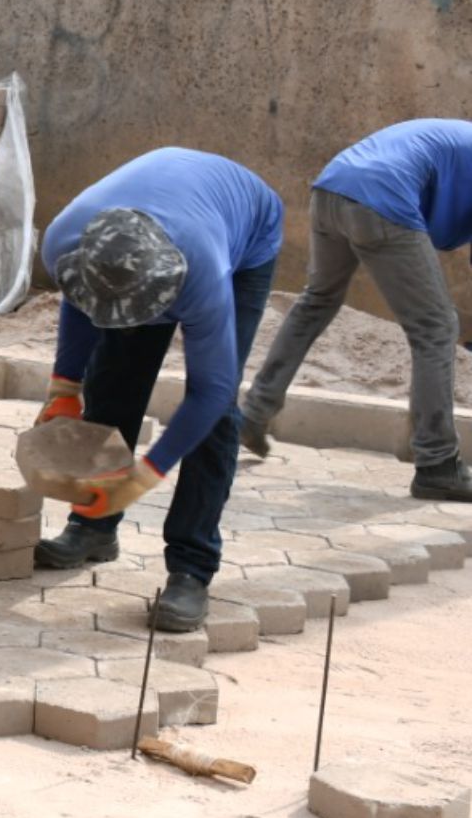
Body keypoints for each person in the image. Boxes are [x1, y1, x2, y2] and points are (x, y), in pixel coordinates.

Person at [31, 148, 284, 633]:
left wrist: (143, 475)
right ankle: (92, 528)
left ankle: (192, 566)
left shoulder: (203, 276)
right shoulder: (64, 238)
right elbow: (78, 297)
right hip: (164, 216)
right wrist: (64, 387)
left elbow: (209, 394)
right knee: (113, 375)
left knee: (217, 416)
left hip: (245, 232)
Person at [240, 119, 472, 503]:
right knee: (435, 327)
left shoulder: (456, 138)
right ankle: (438, 464)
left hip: (331, 187)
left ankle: (254, 412)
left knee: (317, 301)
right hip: (382, 198)